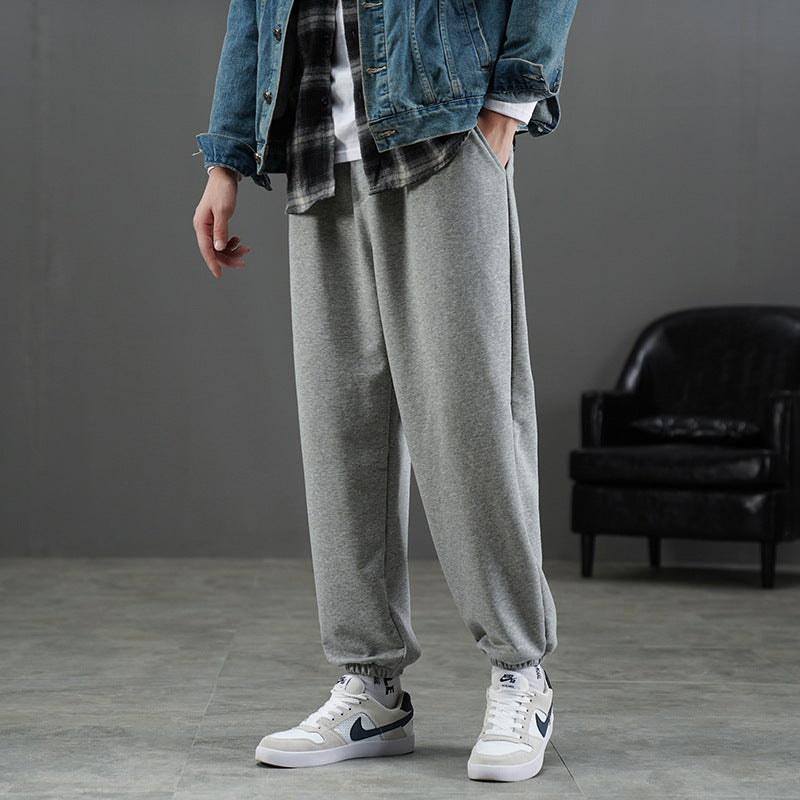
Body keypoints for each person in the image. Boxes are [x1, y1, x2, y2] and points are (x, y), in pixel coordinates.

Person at [192, 0, 578, 783]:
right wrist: (224, 161)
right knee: (341, 427)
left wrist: (509, 103)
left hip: (444, 126)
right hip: (317, 143)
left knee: (466, 418)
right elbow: (252, 11)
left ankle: (520, 671)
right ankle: (371, 684)